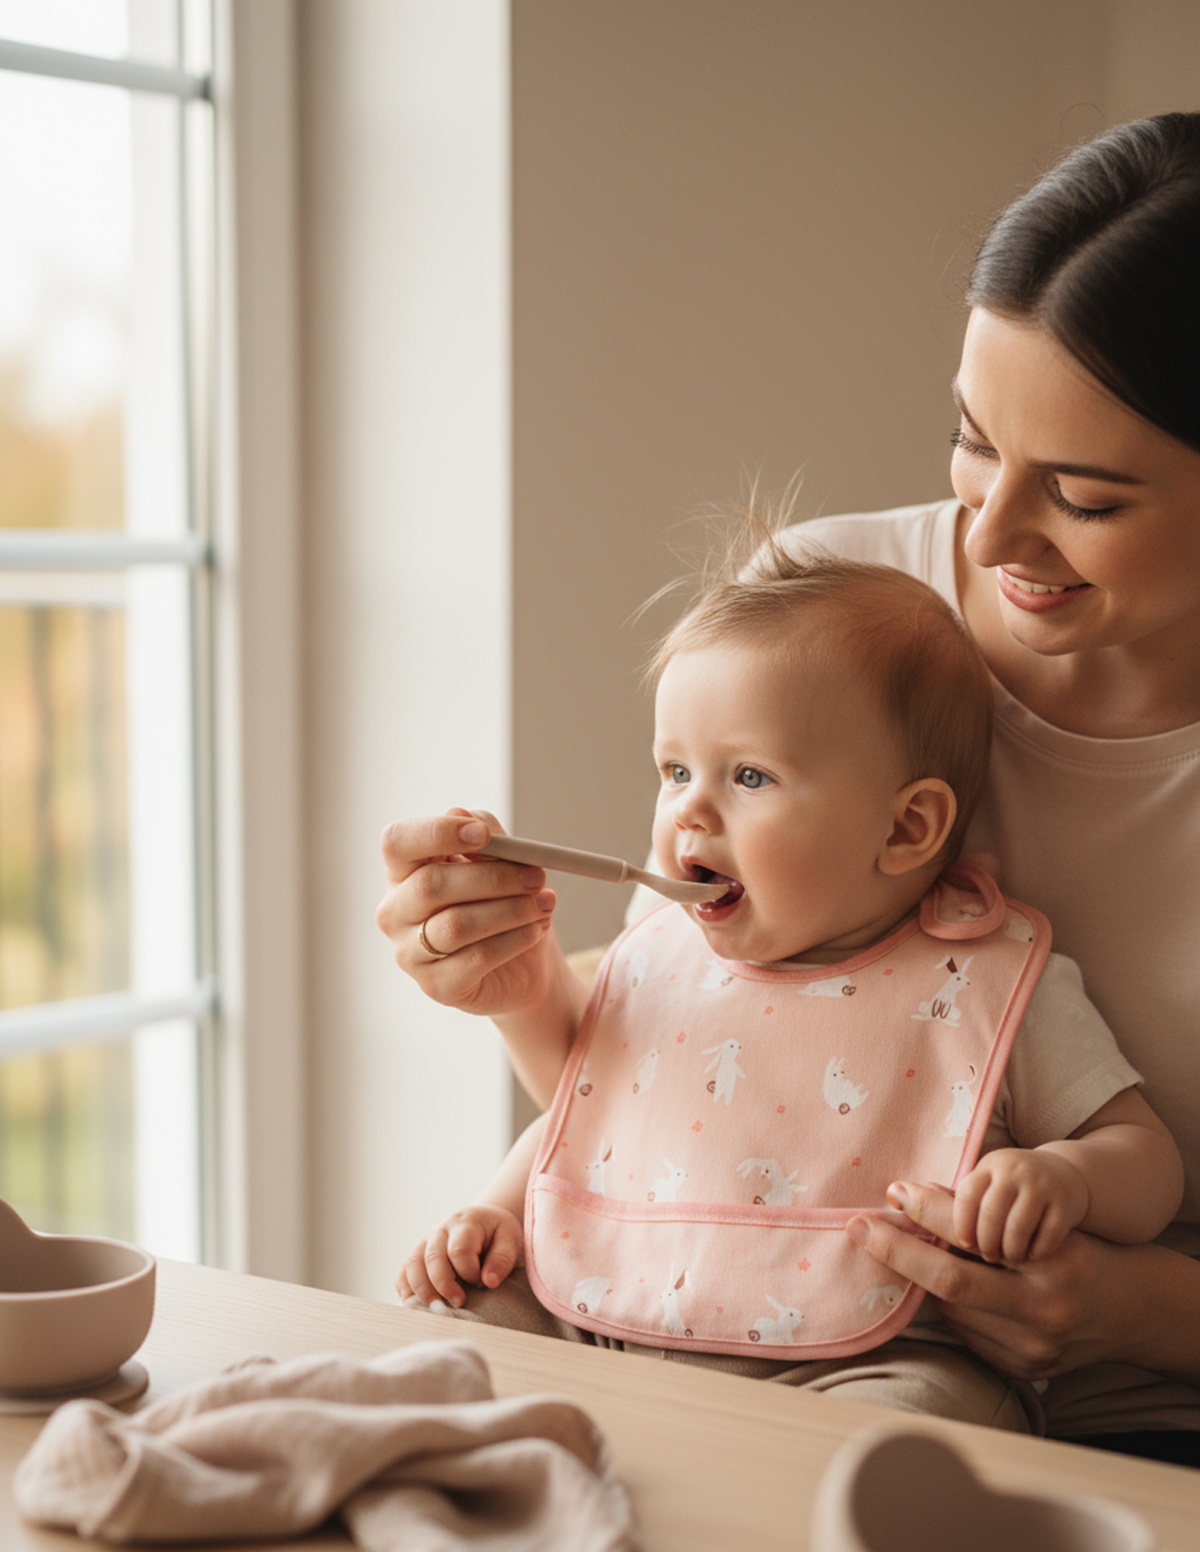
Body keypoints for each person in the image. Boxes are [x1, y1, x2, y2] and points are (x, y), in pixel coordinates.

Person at [377, 113, 1200, 1461]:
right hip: (682, 1329)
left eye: (1088, 497)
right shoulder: (821, 618)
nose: (986, 536)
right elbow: (687, 1065)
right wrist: (511, 991)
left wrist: (1128, 1305)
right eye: (973, 439)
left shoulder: (1001, 964)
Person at [394, 541, 1181, 1430]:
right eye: (675, 771)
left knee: (934, 1423)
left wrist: (1064, 1179)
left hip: (864, 1362)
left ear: (908, 827)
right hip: (600, 1320)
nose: (688, 810)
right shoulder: (663, 952)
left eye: (750, 776)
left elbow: (1147, 1162)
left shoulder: (985, 980)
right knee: (446, 1337)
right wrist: (496, 1218)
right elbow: (583, 1111)